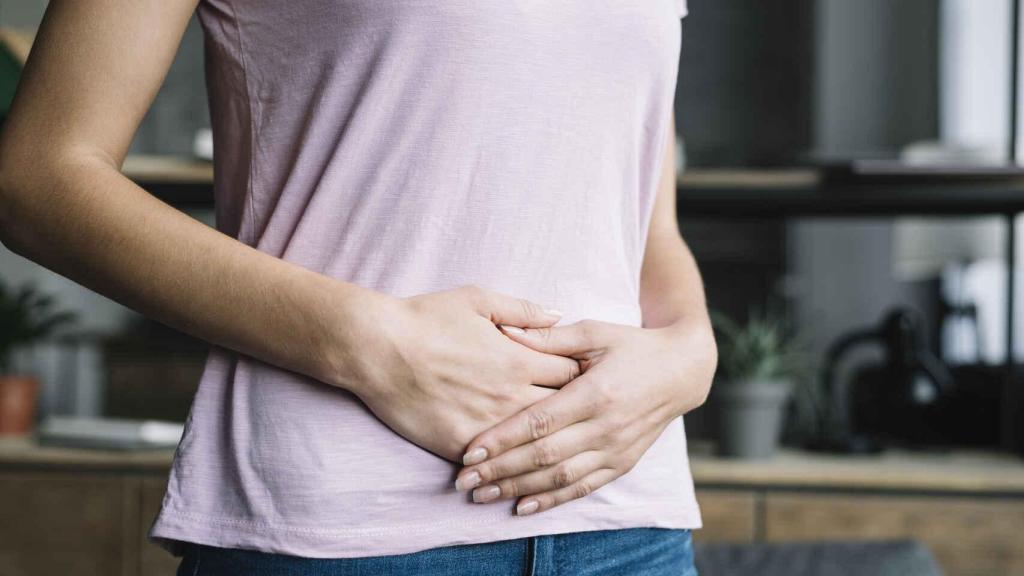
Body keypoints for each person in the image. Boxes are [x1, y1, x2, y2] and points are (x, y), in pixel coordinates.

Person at [0, 0, 716, 574]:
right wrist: (371, 343)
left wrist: (691, 351)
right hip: (342, 531)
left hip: (631, 526)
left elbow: (646, 227)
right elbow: (37, 177)